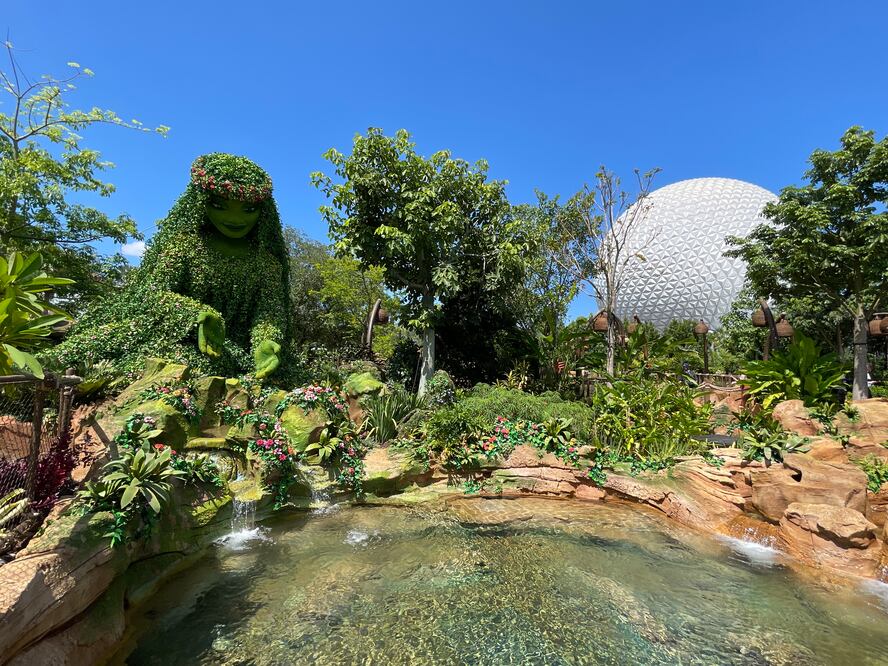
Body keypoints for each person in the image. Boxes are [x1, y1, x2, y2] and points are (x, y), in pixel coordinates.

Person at [47, 153, 291, 380]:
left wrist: (266, 341)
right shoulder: (183, 248)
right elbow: (153, 294)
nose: (235, 219)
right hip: (176, 339)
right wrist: (197, 316)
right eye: (219, 205)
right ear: (201, 202)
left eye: (249, 209)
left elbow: (269, 313)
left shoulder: (267, 265)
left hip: (238, 353)